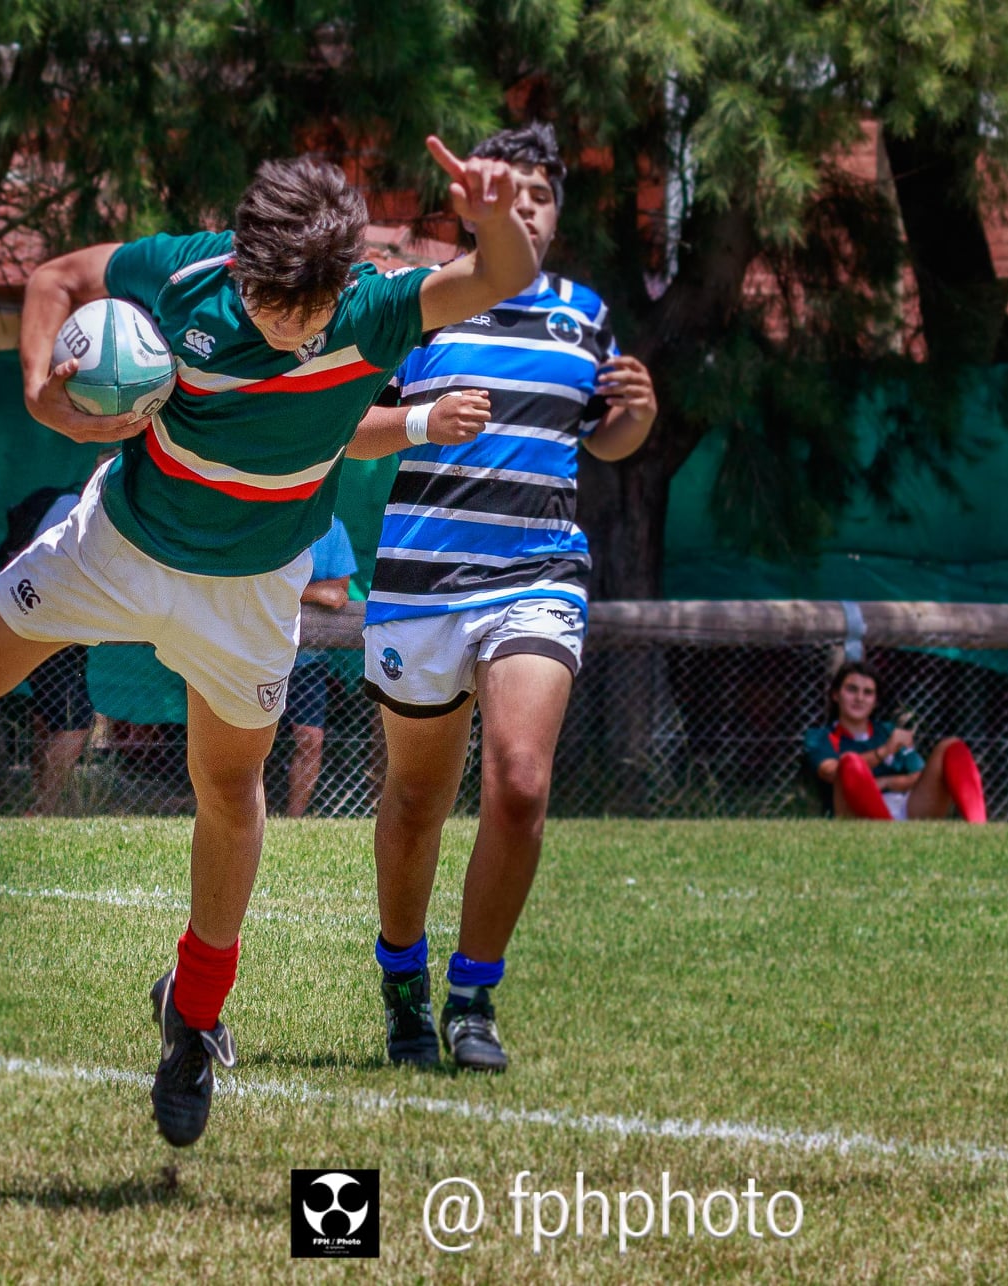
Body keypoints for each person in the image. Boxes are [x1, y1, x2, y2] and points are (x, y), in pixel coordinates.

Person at [0, 140, 536, 1147]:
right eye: (275, 306)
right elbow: (54, 276)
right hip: (119, 544)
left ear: (346, 282)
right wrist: (45, 396)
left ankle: (191, 1013)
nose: (296, 330)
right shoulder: (184, 272)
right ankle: (192, 1004)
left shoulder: (376, 307)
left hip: (251, 591)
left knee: (229, 789)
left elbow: (501, 275)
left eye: (314, 310)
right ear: (240, 262)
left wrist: (495, 211)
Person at [347, 124, 656, 1072]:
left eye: (541, 194)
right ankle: (403, 979)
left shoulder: (583, 313)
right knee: (414, 798)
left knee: (519, 784)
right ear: (472, 199)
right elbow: (340, 429)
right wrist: (418, 420)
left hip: (538, 573)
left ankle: (472, 994)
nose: (525, 206)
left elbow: (603, 442)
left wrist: (635, 418)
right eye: (508, 189)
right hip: (420, 584)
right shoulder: (421, 304)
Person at [0, 484, 96, 815]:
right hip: (53, 624)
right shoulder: (73, 508)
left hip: (41, 622)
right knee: (76, 723)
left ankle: (40, 802)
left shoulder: (64, 504)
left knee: (48, 715)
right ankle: (44, 808)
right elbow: (49, 563)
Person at [802, 660, 987, 822]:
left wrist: (886, 782)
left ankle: (979, 828)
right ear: (836, 695)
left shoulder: (888, 730)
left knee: (951, 746)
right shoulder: (820, 736)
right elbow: (830, 772)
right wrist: (885, 751)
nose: (859, 698)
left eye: (868, 693)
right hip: (856, 814)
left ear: (875, 702)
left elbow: (919, 776)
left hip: (907, 807)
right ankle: (887, 833)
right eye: (852, 690)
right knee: (850, 762)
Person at [284, 515, 358, 817]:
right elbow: (254, 582)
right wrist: (314, 592)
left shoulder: (334, 527)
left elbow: (340, 593)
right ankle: (242, 814)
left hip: (309, 660)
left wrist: (291, 591)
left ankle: (293, 821)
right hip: (257, 655)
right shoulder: (266, 515)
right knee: (247, 739)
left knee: (311, 739)